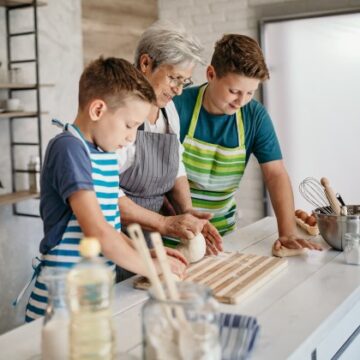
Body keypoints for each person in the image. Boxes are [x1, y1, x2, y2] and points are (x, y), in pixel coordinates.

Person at [24, 57, 187, 322]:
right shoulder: (69, 148)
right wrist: (152, 266)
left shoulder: (104, 154)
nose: (132, 137)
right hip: (60, 305)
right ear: (98, 110)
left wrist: (144, 253)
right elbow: (98, 232)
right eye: (130, 125)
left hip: (92, 300)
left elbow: (110, 229)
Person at [174, 34, 322, 252]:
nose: (241, 101)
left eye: (250, 93)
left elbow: (275, 174)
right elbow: (161, 179)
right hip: (175, 234)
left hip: (223, 235)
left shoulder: (254, 116)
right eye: (234, 91)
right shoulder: (177, 106)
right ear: (211, 74)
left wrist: (287, 232)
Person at [117, 22, 222, 260]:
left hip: (149, 239)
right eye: (174, 78)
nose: (178, 90)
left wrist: (187, 212)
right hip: (115, 240)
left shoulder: (168, 110)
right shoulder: (120, 110)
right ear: (146, 63)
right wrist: (164, 222)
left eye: (184, 82)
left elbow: (176, 165)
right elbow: (105, 192)